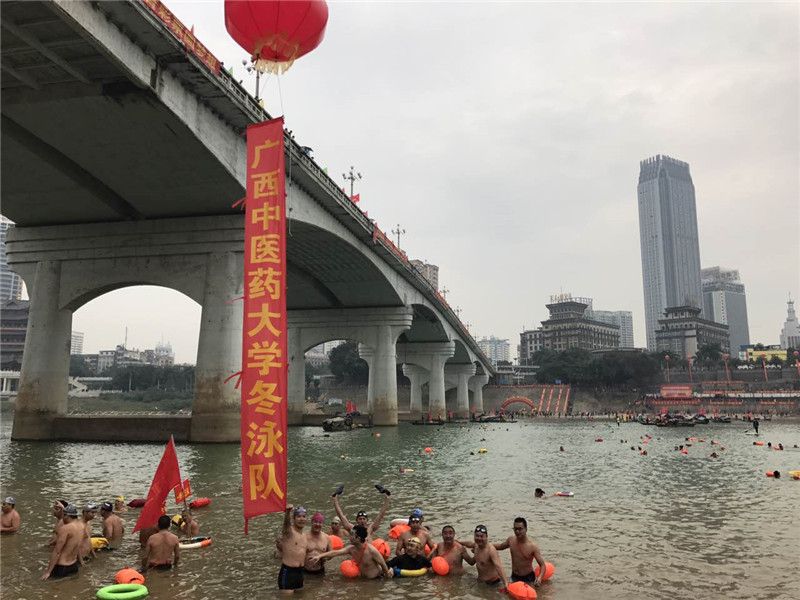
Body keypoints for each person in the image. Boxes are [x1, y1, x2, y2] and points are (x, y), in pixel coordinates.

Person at [309, 524, 393, 579]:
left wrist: (387, 578)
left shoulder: (372, 551)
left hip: (376, 579)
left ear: (358, 538)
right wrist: (319, 556)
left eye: (352, 535)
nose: (349, 536)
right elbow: (335, 552)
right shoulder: (352, 549)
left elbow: (383, 564)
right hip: (363, 580)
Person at [493, 517, 547, 586]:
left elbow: (542, 565)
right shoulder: (511, 540)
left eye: (520, 529)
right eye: (515, 529)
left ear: (526, 529)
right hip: (514, 576)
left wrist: (539, 578)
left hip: (528, 578)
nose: (517, 531)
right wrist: (486, 545)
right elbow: (501, 546)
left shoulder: (532, 547)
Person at [43, 504, 84, 580]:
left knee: (51, 586)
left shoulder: (65, 528)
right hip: (74, 565)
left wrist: (48, 572)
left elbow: (57, 551)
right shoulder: (81, 526)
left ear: (66, 516)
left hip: (62, 566)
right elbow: (77, 546)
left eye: (63, 516)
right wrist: (81, 562)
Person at [278, 505, 308, 592]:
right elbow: (286, 524)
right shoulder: (289, 532)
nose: (301, 519)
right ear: (294, 519)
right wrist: (287, 513)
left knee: (299, 597)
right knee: (286, 597)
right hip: (288, 572)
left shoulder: (304, 536)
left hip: (300, 573)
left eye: (304, 516)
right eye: (298, 516)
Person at [470, 525, 509, 589]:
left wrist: (506, 584)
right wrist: (460, 544)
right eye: (477, 536)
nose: (479, 538)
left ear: (486, 537)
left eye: (481, 536)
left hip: (493, 583)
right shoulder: (476, 546)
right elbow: (469, 545)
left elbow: (498, 567)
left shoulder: (491, 550)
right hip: (481, 582)